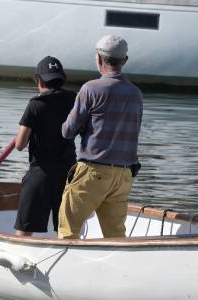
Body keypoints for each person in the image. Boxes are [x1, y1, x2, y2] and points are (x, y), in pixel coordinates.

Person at [59, 35, 143, 239]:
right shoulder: (135, 93)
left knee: (68, 231)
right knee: (115, 237)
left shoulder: (91, 89)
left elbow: (67, 131)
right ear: (125, 60)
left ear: (99, 59)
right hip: (123, 175)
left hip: (94, 171)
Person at [13, 56, 77, 237]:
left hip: (41, 174)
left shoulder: (35, 105)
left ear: (38, 80)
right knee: (65, 230)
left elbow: (19, 144)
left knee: (24, 230)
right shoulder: (73, 99)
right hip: (68, 173)